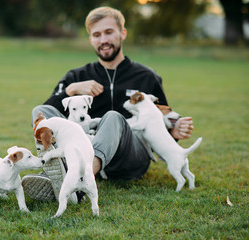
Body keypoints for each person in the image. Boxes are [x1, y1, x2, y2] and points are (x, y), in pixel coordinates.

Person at [21, 6, 194, 202]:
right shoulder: (77, 76)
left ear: (122, 33)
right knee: (40, 111)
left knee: (112, 117)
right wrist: (71, 90)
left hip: (130, 156)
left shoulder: (146, 77)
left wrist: (175, 130)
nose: (103, 40)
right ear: (91, 39)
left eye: (109, 32)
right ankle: (58, 172)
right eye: (97, 34)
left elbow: (160, 120)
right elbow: (48, 113)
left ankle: (79, 180)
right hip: (85, 144)